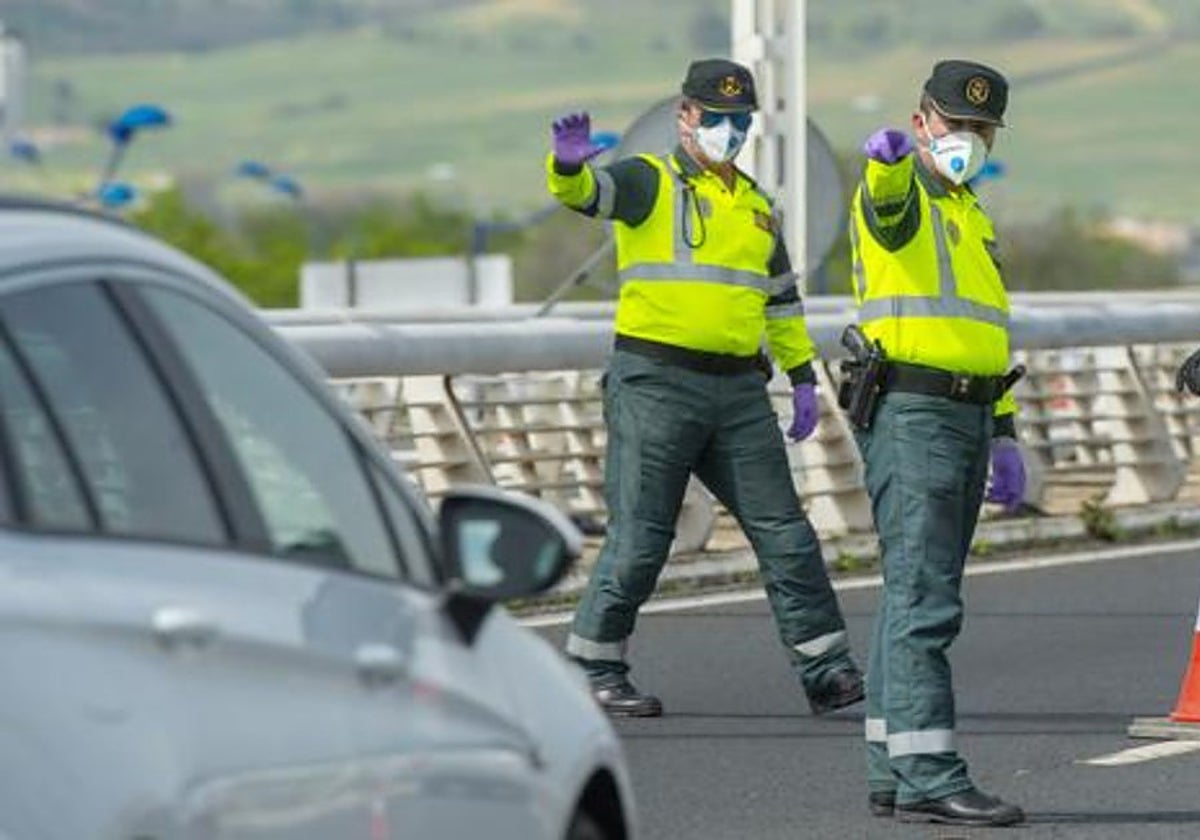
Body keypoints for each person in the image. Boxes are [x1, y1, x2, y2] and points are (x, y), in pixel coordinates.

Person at [545, 58, 864, 719]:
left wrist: (804, 376)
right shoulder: (647, 180)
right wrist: (570, 167)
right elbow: (588, 196)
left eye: (738, 120)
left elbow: (781, 302)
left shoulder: (755, 207)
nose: (727, 129)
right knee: (641, 537)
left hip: (739, 393)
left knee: (786, 532)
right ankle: (592, 667)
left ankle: (827, 669)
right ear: (684, 115)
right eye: (714, 118)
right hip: (655, 383)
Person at [849, 59, 1026, 826]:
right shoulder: (904, 188)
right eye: (955, 124)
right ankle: (929, 770)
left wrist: (1008, 429)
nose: (968, 138)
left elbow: (983, 331)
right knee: (925, 601)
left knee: (907, 598)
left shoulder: (970, 209)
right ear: (922, 121)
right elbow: (887, 212)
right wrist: (886, 168)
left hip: (968, 413)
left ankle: (892, 765)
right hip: (916, 413)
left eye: (981, 128)